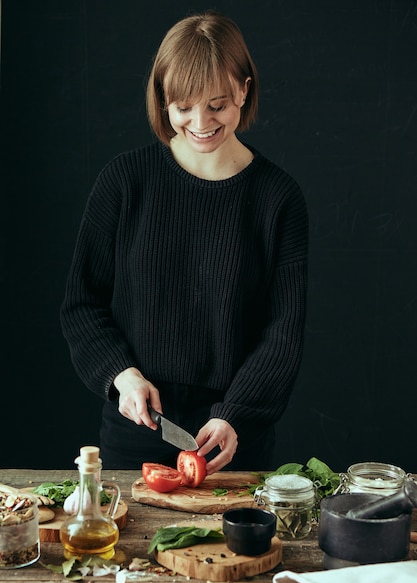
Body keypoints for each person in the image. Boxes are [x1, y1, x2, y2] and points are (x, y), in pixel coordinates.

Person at [60, 11, 308, 473]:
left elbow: (282, 335)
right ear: (163, 101)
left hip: (233, 442)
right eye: (183, 107)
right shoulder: (124, 181)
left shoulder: (278, 198)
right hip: (137, 430)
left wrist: (236, 414)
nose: (200, 122)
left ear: (244, 90)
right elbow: (82, 304)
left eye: (217, 104)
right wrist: (122, 375)